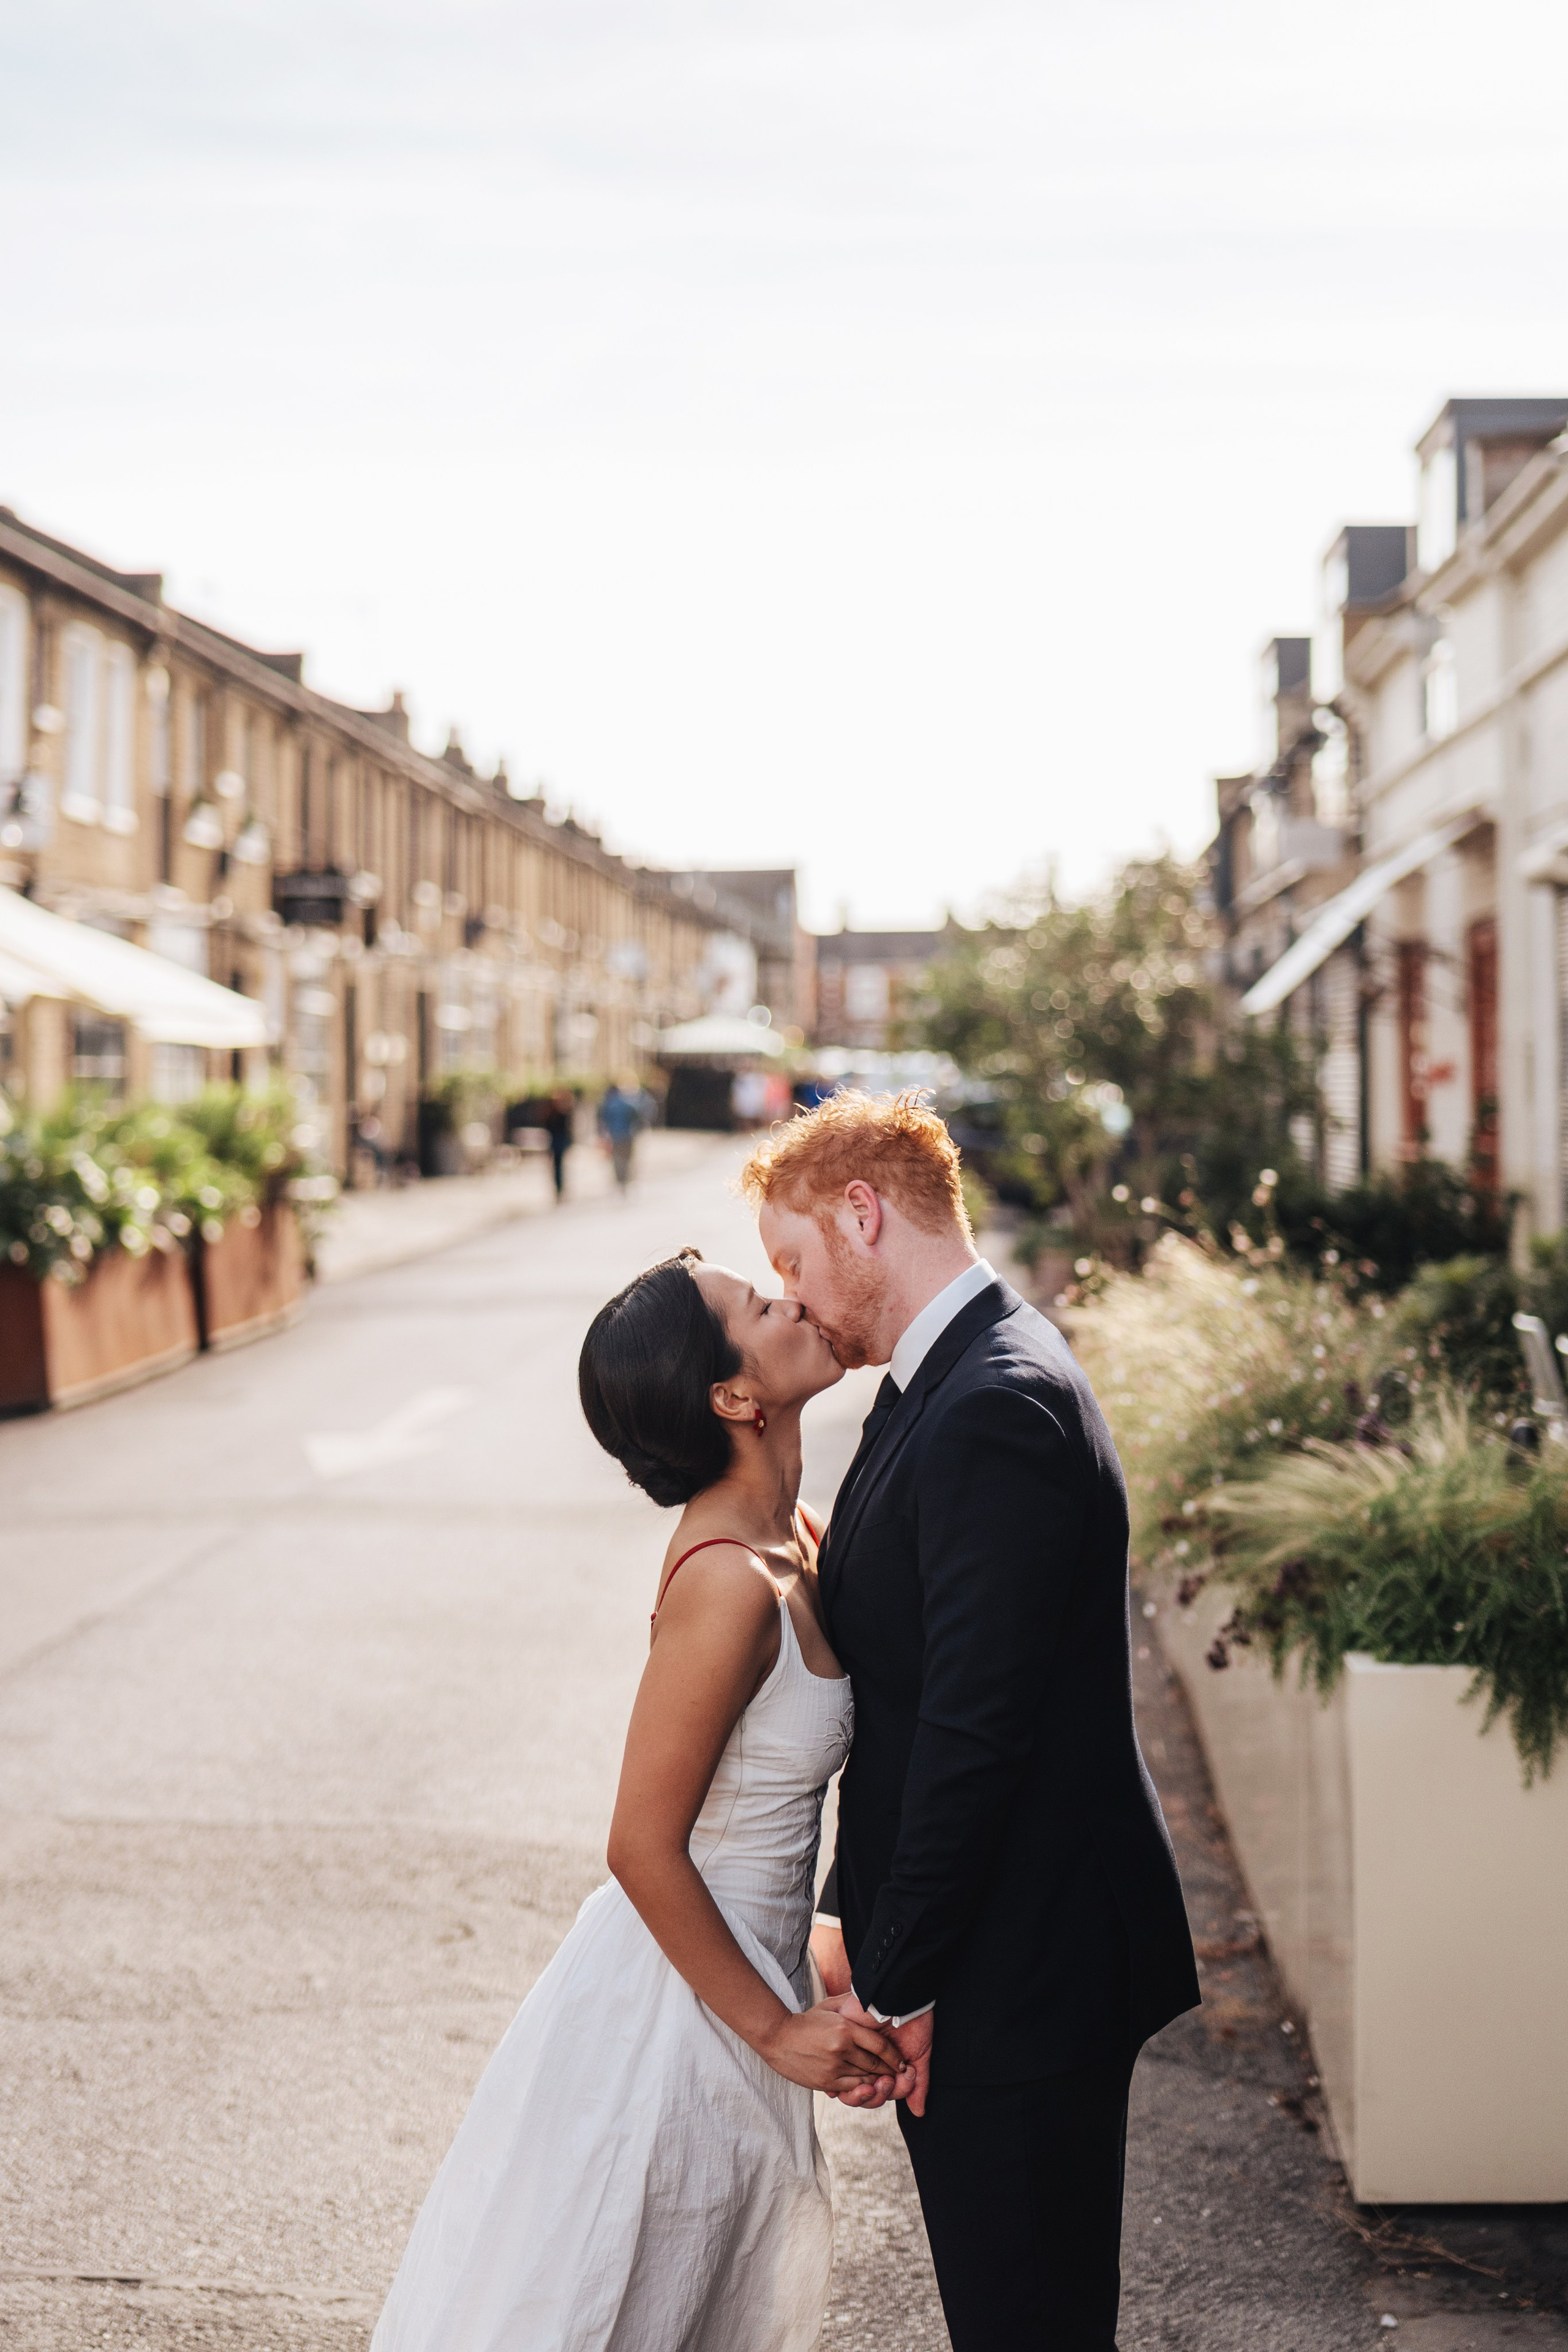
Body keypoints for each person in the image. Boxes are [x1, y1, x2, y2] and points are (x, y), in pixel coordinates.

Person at [371, 1248, 910, 2352]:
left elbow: (747, 1813)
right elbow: (641, 1846)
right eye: (760, 1307)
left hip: (742, 1982)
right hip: (670, 2027)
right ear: (733, 1396)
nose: (793, 1299)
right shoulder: (726, 1580)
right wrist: (777, 2031)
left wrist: (814, 1949)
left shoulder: (794, 1542)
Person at [739, 1089, 1200, 2352]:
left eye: (792, 1261)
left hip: (1022, 1968)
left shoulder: (993, 1400)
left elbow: (972, 1734)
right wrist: (850, 1911)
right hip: (990, 1947)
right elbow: (902, 1693)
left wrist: (903, 1978)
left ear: (862, 1214)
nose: (791, 1295)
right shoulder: (940, 1377)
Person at [597, 1077, 649, 1189]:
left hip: (615, 1137)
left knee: (617, 1161)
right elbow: (637, 1116)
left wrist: (604, 1136)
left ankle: (620, 1182)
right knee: (629, 1159)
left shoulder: (607, 1105)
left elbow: (602, 1121)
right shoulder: (626, 1103)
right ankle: (628, 1181)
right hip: (628, 1135)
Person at [541, 1087, 575, 1201]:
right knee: (558, 1167)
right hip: (558, 1143)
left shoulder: (557, 1114)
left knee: (558, 1167)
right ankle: (559, 1188)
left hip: (557, 1143)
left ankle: (559, 1188)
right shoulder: (559, 1114)